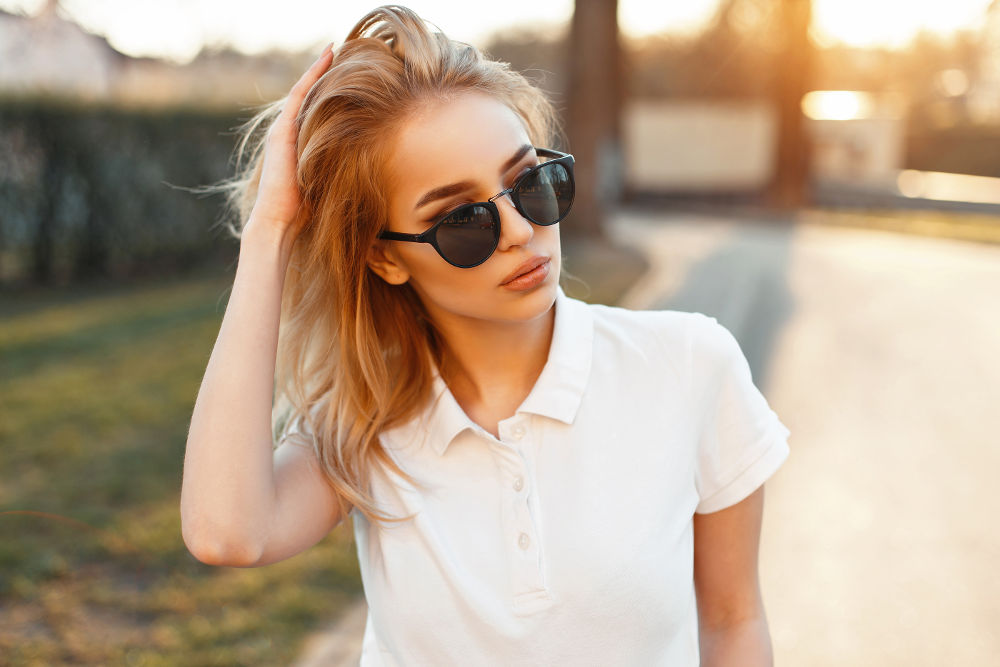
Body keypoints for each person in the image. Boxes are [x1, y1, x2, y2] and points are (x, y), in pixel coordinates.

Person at [180, 5, 791, 665]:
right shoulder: (363, 422)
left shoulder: (689, 366)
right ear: (384, 257)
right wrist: (271, 226)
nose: (521, 232)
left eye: (531, 183)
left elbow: (732, 622)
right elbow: (226, 533)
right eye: (464, 220)